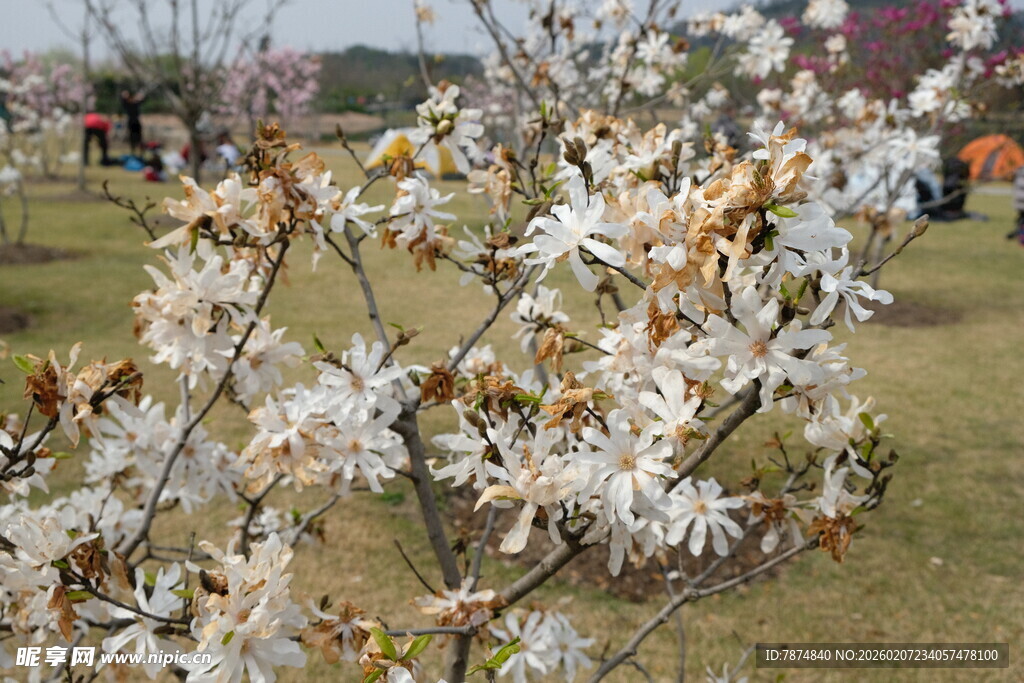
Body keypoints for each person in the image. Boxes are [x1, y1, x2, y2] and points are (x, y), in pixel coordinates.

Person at [120, 90, 146, 156]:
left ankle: (140, 153)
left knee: (139, 138)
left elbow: (142, 99)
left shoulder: (135, 103)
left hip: (136, 121)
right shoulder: (127, 104)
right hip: (131, 122)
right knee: (132, 138)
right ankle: (133, 152)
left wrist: (139, 96)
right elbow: (123, 99)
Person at [1008, 164, 1024, 245]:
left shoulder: (1020, 169)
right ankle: (1022, 239)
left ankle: (1019, 234)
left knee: (1022, 219)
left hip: (1019, 201)